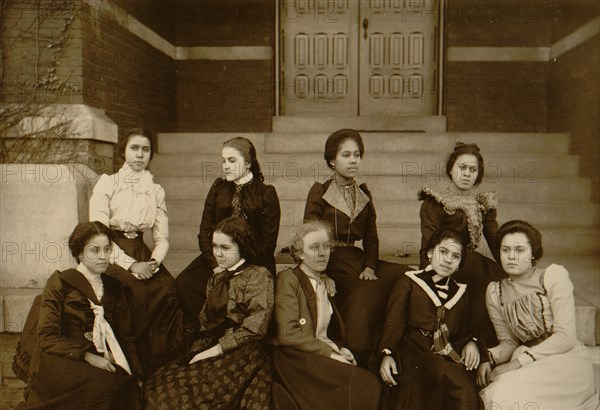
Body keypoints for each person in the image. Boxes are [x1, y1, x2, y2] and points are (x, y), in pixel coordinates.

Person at [0, 222, 148, 410]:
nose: (103, 256)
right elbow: (46, 337)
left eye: (107, 249)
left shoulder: (115, 288)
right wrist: (87, 356)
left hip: (100, 359)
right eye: (95, 251)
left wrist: (136, 374)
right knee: (104, 385)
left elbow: (125, 338)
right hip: (61, 359)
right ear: (79, 253)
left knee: (123, 386)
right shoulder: (61, 281)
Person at [142, 216, 274, 410]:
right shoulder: (215, 277)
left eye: (225, 247)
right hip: (212, 345)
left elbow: (256, 326)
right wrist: (197, 348)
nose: (218, 253)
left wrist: (214, 350)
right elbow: (204, 320)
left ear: (242, 246)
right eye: (215, 246)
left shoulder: (258, 275)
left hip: (244, 352)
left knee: (202, 396)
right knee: (159, 385)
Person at [478, 220, 599, 410]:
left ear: (534, 253)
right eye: (506, 250)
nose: (512, 256)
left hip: (566, 360)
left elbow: (566, 337)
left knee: (507, 392)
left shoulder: (553, 277)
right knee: (494, 394)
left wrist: (518, 363)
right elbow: (507, 341)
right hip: (527, 361)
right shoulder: (494, 292)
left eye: (520, 249)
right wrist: (490, 358)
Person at [265, 221, 382, 410]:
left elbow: (324, 329)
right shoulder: (289, 280)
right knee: (364, 386)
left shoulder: (324, 281)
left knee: (366, 384)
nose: (322, 253)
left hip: (315, 351)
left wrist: (340, 348)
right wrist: (330, 353)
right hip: (293, 358)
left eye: (326, 246)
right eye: (314, 247)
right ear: (299, 253)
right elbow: (289, 333)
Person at [371, 228, 489, 410]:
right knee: (427, 382)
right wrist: (386, 354)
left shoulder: (462, 291)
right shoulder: (409, 281)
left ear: (459, 264)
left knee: (464, 390)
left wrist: (472, 344)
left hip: (445, 352)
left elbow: (469, 329)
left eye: (455, 256)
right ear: (430, 253)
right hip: (411, 349)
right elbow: (393, 323)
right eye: (443, 252)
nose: (448, 259)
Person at [304, 128, 408, 364]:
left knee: (407, 275)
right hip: (330, 261)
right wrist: (321, 274)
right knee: (362, 294)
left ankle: (390, 343)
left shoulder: (363, 193)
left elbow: (371, 238)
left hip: (358, 259)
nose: (353, 160)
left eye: (357, 155)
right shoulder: (320, 192)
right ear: (332, 160)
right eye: (346, 155)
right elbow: (310, 237)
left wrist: (370, 267)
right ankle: (361, 352)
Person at [89, 128, 184, 374]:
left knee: (167, 289)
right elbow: (98, 233)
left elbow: (162, 237)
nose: (140, 155)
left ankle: (158, 362)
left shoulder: (155, 190)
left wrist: (153, 262)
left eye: (145, 149)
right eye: (134, 148)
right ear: (123, 151)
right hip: (109, 252)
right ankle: (131, 363)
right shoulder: (107, 183)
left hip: (142, 252)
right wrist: (131, 266)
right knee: (136, 291)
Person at [176, 136, 280, 318]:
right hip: (218, 258)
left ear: (248, 163)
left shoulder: (265, 193)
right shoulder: (218, 188)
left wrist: (239, 265)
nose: (226, 166)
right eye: (224, 161)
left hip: (253, 261)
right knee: (184, 283)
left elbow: (268, 242)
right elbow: (205, 231)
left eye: (232, 160)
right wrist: (216, 264)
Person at [418, 142, 505, 348]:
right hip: (445, 263)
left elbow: (495, 241)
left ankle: (484, 343)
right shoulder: (436, 201)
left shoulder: (482, 204)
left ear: (478, 174)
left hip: (471, 264)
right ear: (451, 169)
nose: (467, 174)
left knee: (501, 280)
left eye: (473, 169)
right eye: (462, 168)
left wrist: (510, 265)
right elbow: (430, 242)